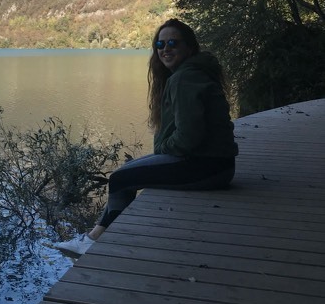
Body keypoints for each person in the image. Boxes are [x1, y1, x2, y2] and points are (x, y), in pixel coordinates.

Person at [54, 18, 238, 256]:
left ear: (189, 47)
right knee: (126, 170)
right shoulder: (193, 73)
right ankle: (95, 237)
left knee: (120, 178)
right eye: (160, 45)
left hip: (206, 167)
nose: (165, 49)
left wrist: (163, 149)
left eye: (173, 42)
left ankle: (96, 240)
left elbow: (189, 137)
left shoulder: (185, 78)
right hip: (217, 164)